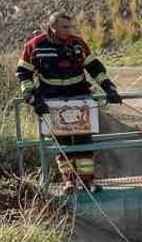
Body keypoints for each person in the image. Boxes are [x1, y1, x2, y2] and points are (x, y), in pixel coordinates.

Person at [16, 12, 122, 192]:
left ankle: (88, 182)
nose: (69, 30)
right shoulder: (35, 46)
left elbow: (94, 67)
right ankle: (69, 182)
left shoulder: (78, 43)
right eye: (65, 27)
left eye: (70, 26)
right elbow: (23, 73)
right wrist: (32, 97)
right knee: (63, 143)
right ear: (52, 27)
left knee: (84, 141)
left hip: (79, 98)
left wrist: (109, 87)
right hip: (52, 102)